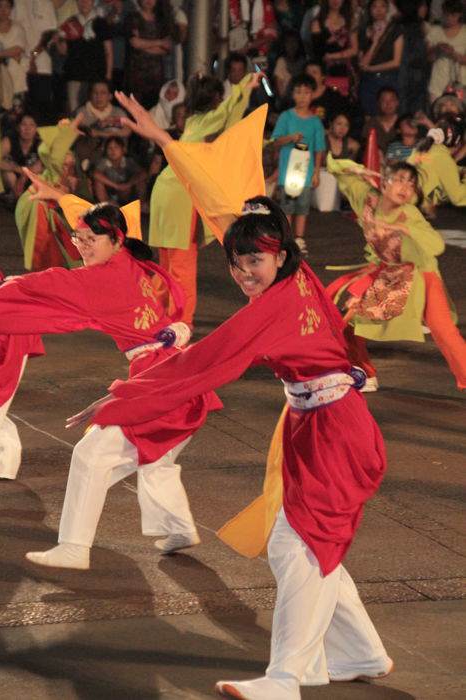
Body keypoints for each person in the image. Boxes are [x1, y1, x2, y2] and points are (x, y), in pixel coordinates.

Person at [66, 97, 392, 699]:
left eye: (254, 261)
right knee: (312, 541)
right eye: (237, 264)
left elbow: (198, 366)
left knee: (298, 543)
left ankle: (287, 678)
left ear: (280, 253)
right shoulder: (298, 276)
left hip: (337, 433)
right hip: (317, 425)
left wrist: (116, 402)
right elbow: (226, 211)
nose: (244, 274)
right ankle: (359, 651)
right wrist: (167, 142)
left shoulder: (276, 306)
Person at [0, 171, 221, 560]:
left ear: (115, 239)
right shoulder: (128, 258)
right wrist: (61, 197)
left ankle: (74, 546)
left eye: (89, 240)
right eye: (78, 239)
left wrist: (8, 285)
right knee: (158, 460)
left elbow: (42, 286)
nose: (82, 247)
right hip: (178, 378)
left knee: (92, 455)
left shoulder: (99, 281)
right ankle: (180, 527)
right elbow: (96, 218)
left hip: (160, 381)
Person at [326, 154, 466, 391]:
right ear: (384, 183)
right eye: (400, 179)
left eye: (411, 183)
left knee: (443, 330)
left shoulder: (409, 214)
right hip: (388, 274)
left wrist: (404, 228)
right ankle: (365, 373)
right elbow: (334, 166)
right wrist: (357, 169)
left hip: (422, 276)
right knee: (349, 320)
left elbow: (436, 246)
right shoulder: (366, 198)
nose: (406, 187)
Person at [148, 70, 263, 326]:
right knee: (181, 267)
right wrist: (247, 84)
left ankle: (152, 317)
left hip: (165, 190)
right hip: (181, 195)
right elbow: (231, 111)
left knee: (168, 265)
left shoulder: (193, 122)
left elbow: (229, 115)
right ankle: (180, 324)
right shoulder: (210, 119)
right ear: (216, 100)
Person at [14, 116, 82, 272]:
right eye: (64, 163)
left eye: (69, 164)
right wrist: (63, 131)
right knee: (41, 250)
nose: (66, 165)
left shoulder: (72, 178)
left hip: (45, 209)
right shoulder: (54, 169)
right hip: (31, 205)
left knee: (58, 244)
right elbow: (45, 151)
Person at [272, 74, 326, 254]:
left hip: (306, 171)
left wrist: (316, 172)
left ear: (313, 95)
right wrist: (290, 137)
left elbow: (319, 148)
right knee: (287, 206)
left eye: (306, 93)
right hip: (288, 171)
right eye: (298, 92)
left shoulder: (315, 121)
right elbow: (276, 140)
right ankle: (286, 240)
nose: (302, 97)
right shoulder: (286, 117)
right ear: (292, 94)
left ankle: (300, 239)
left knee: (303, 207)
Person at [59, 0, 113, 113]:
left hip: (96, 75)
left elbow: (109, 51)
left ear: (93, 2)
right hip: (74, 74)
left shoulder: (101, 22)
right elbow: (63, 51)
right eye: (80, 0)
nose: (84, 3)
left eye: (87, 0)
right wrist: (59, 38)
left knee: (95, 111)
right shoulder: (70, 22)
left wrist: (108, 75)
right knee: (74, 112)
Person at [124, 0, 176, 109]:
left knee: (153, 110)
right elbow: (134, 43)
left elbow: (167, 47)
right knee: (134, 110)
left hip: (156, 77)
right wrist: (159, 42)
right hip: (135, 76)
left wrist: (144, 45)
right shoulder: (133, 18)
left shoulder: (162, 20)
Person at [407, 115, 466, 208]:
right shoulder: (443, 158)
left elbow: (439, 168)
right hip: (412, 210)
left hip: (405, 204)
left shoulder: (424, 148)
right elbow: (458, 198)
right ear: (458, 143)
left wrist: (461, 170)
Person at [358, 0, 404, 116]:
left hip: (389, 79)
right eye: (375, 6)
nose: (379, 10)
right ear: (370, 9)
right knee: (370, 115)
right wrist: (374, 42)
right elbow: (362, 63)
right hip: (369, 81)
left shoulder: (395, 30)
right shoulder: (364, 30)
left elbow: (396, 62)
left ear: (387, 9)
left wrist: (372, 69)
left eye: (382, 6)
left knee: (390, 114)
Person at [310, 0, 358, 97]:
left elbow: (354, 50)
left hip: (346, 70)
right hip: (326, 71)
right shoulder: (318, 22)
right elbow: (318, 53)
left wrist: (333, 56)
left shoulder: (350, 20)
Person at [426, 0, 466, 103]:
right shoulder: (435, 31)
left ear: (459, 15)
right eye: (446, 15)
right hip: (438, 82)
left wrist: (452, 53)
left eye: (453, 15)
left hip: (462, 82)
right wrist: (437, 48)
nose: (449, 18)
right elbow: (428, 58)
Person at [93, 135, 147, 205]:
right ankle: (107, 206)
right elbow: (96, 174)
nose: (113, 151)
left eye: (116, 147)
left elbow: (143, 174)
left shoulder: (128, 161)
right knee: (98, 182)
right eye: (109, 148)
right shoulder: (104, 162)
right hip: (111, 192)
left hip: (127, 192)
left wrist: (128, 184)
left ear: (123, 150)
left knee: (141, 182)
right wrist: (117, 186)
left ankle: (140, 205)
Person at [0, 113, 41, 201]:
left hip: (31, 178)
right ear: (18, 127)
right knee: (8, 174)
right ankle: (16, 198)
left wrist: (23, 176)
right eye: (24, 124)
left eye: (31, 125)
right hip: (12, 178)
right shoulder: (9, 140)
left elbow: (39, 167)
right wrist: (15, 168)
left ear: (36, 128)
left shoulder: (40, 144)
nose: (27, 129)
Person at [0, 0, 28, 109]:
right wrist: (7, 53)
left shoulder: (17, 27)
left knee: (16, 113)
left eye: (7, 6)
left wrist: (0, 54)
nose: (3, 10)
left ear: (11, 9)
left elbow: (18, 49)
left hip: (16, 78)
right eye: (0, 6)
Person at [362, 86, 400, 154]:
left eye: (391, 100)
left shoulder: (404, 123)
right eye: (384, 100)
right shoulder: (371, 124)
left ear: (397, 102)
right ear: (378, 103)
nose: (388, 104)